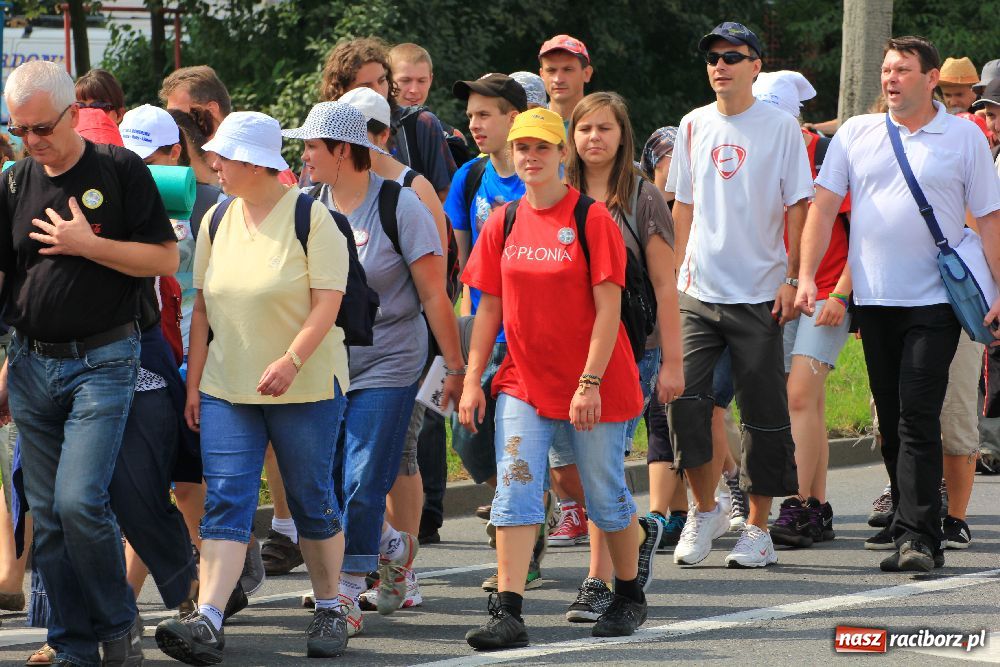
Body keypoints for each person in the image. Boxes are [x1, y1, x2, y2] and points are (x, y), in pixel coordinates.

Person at [153, 110, 353, 662]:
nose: (213, 163)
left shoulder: (312, 218)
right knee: (226, 500)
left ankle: (332, 606)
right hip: (226, 385)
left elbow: (328, 304)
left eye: (222, 156)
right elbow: (201, 313)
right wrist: (194, 385)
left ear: (255, 163)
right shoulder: (215, 218)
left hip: (307, 384)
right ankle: (210, 619)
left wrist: (290, 360)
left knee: (312, 500)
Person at [796, 35, 1000, 572]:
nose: (890, 78)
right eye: (886, 69)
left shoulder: (963, 138)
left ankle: (920, 537)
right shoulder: (858, 134)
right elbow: (822, 209)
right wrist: (804, 276)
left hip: (936, 301)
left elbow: (990, 219)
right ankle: (911, 520)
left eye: (903, 70)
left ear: (931, 79)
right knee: (891, 417)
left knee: (917, 414)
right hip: (875, 300)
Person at [0, 60, 179, 666]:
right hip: (30, 364)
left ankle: (116, 623)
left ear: (73, 114)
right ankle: (73, 642)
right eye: (20, 130)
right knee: (47, 516)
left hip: (104, 359)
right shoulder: (14, 182)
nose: (32, 141)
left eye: (42, 127)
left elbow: (162, 259)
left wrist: (89, 245)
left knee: (79, 502)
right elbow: (11, 280)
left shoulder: (120, 170)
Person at [459, 107, 647, 649]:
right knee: (516, 488)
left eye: (543, 147)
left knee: (603, 494)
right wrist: (473, 378)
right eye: (523, 148)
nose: (532, 157)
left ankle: (629, 594)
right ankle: (508, 611)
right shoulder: (504, 221)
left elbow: (608, 311)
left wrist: (588, 382)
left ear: (562, 153)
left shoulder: (591, 220)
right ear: (512, 155)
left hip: (596, 380)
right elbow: (487, 309)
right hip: (523, 379)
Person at [283, 100, 463, 633]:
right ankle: (388, 543)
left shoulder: (399, 206)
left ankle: (345, 586)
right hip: (328, 362)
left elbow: (435, 295)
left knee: (363, 475)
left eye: (313, 145)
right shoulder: (306, 203)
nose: (305, 155)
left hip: (391, 361)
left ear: (343, 151)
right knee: (325, 476)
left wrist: (455, 366)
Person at [666, 22, 813, 569]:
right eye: (712, 57)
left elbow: (800, 205)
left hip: (759, 293)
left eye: (733, 56)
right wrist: (674, 274)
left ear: (756, 65)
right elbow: (681, 204)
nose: (720, 65)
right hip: (697, 290)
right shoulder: (691, 124)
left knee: (763, 414)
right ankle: (704, 510)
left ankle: (757, 527)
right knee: (684, 401)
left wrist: (794, 277)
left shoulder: (780, 127)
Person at [558, 91, 684, 622]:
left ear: (622, 135)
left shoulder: (643, 196)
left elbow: (665, 285)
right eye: (585, 129)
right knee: (588, 471)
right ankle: (640, 532)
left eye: (605, 129)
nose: (593, 139)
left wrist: (675, 363)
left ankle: (598, 580)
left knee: (601, 466)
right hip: (572, 352)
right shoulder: (555, 191)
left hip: (634, 350)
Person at [445, 73, 558, 590]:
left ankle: (525, 542)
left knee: (537, 455)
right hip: (486, 335)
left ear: (515, 118)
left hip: (539, 340)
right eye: (471, 115)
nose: (475, 124)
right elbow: (470, 263)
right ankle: (530, 503)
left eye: (485, 114)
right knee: (468, 440)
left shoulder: (545, 180)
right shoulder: (468, 178)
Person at [750, 71, 853, 549]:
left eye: (778, 117)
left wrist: (841, 294)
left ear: (797, 118)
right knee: (805, 402)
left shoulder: (823, 154)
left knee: (797, 395)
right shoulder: (753, 150)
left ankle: (796, 503)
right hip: (778, 293)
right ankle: (818, 507)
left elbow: (860, 229)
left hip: (827, 293)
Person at [319, 37, 457, 200]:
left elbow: (448, 196)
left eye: (381, 80)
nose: (378, 91)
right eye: (366, 86)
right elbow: (310, 198)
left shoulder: (420, 123)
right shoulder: (323, 132)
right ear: (343, 90)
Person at [538, 34, 593, 126]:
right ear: (542, 75)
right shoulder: (529, 126)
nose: (558, 79)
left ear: (587, 74)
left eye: (568, 70)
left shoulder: (602, 125)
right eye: (551, 70)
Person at [74, 69, 126, 146]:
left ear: (119, 115)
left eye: (99, 106)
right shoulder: (62, 154)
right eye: (80, 107)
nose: (89, 113)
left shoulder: (130, 156)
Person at [639, 126, 677, 196]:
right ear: (657, 158)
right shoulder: (637, 198)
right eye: (677, 156)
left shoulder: (695, 201)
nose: (685, 162)